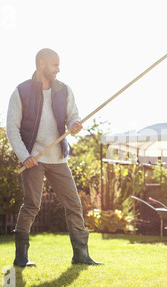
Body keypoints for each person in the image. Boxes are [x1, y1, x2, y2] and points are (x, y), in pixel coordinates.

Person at [6, 48, 102, 267]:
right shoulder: (21, 92)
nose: (58, 69)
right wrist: (25, 156)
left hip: (58, 159)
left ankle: (81, 255)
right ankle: (21, 257)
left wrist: (74, 125)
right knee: (31, 206)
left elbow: (72, 116)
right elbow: (12, 129)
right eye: (54, 65)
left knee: (74, 205)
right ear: (41, 64)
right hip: (34, 159)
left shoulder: (64, 90)